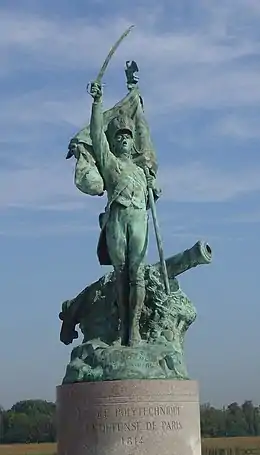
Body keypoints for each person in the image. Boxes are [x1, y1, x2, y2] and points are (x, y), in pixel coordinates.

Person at [73, 81, 161, 346]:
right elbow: (98, 135)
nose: (124, 139)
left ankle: (134, 330)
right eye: (120, 136)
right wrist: (97, 103)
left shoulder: (141, 171)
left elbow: (151, 195)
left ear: (134, 143)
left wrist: (152, 187)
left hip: (138, 219)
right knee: (121, 273)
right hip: (118, 219)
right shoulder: (110, 164)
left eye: (128, 137)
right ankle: (123, 328)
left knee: (137, 273)